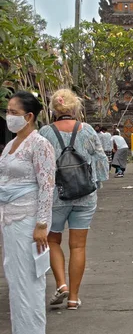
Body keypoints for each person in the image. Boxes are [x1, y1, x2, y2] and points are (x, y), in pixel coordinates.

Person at [38, 89, 109, 311]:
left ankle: (62, 284)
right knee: (78, 246)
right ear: (75, 108)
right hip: (85, 196)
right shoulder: (87, 130)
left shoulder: (45, 132)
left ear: (54, 110)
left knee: (52, 241)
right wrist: (95, 185)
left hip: (56, 196)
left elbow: (40, 167)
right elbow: (101, 162)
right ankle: (73, 299)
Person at [0, 91, 55, 333]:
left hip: (29, 220)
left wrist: (42, 224)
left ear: (29, 116)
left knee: (30, 280)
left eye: (14, 113)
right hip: (9, 219)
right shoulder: (11, 145)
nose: (9, 117)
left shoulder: (40, 144)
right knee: (15, 279)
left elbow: (47, 185)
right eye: (8, 112)